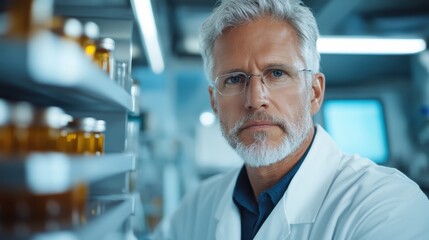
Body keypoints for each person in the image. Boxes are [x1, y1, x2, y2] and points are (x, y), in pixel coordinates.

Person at [152, 0, 429, 239]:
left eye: (276, 73)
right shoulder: (196, 209)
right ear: (215, 102)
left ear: (314, 93)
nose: (255, 98)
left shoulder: (385, 206)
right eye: (235, 79)